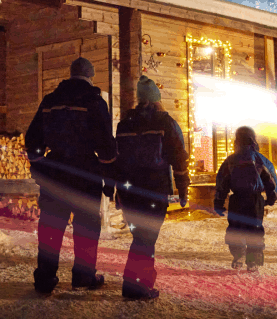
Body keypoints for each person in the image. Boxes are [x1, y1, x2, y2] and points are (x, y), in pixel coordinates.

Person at [25, 57, 116, 294]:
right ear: (90, 75)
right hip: (86, 171)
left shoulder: (50, 100)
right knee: (86, 226)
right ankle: (83, 276)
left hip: (55, 171)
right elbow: (106, 144)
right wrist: (109, 177)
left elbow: (32, 137)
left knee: (51, 227)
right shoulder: (94, 101)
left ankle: (44, 278)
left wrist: (38, 165)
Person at [114, 76, 189, 300]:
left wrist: (118, 190)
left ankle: (143, 280)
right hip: (154, 189)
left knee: (141, 235)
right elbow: (179, 157)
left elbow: (118, 159)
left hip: (129, 190)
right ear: (156, 99)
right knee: (146, 238)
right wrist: (183, 188)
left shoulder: (124, 124)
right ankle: (134, 285)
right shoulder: (165, 122)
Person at [213, 126, 277, 271]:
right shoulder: (260, 160)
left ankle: (238, 255)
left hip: (237, 200)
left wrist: (219, 201)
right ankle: (253, 261)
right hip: (255, 200)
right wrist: (272, 196)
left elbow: (222, 182)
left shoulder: (231, 160)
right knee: (254, 229)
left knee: (236, 228)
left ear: (237, 140)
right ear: (253, 140)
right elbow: (270, 179)